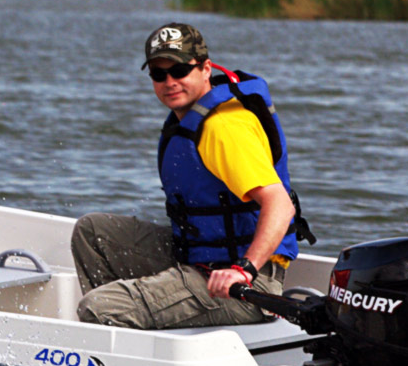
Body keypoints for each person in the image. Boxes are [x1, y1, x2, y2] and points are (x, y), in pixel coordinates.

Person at [71, 22, 314, 329]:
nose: (169, 81)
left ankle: (115, 332)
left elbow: (280, 205)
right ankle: (129, 331)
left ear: (205, 69)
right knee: (93, 233)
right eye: (159, 74)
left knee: (98, 306)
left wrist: (243, 270)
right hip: (201, 260)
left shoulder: (224, 129)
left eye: (180, 71)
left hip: (248, 287)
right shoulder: (189, 119)